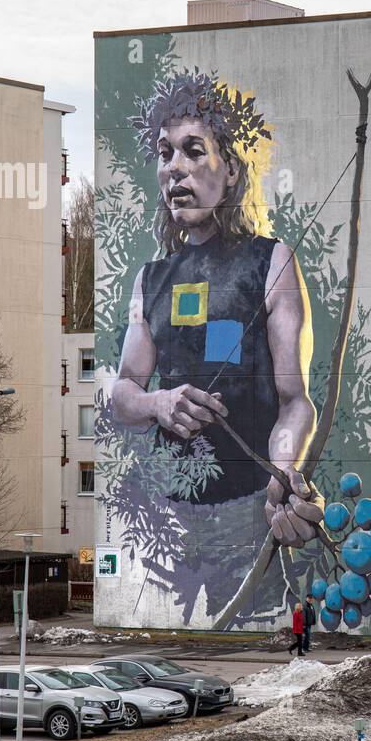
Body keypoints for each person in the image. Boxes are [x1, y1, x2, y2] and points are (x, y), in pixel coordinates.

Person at [110, 71, 325, 624]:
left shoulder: (268, 263)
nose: (174, 168)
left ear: (230, 170)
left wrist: (284, 468)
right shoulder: (151, 278)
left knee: (250, 639)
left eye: (192, 150)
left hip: (245, 517)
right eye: (165, 153)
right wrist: (158, 403)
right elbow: (122, 393)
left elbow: (295, 400)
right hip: (165, 527)